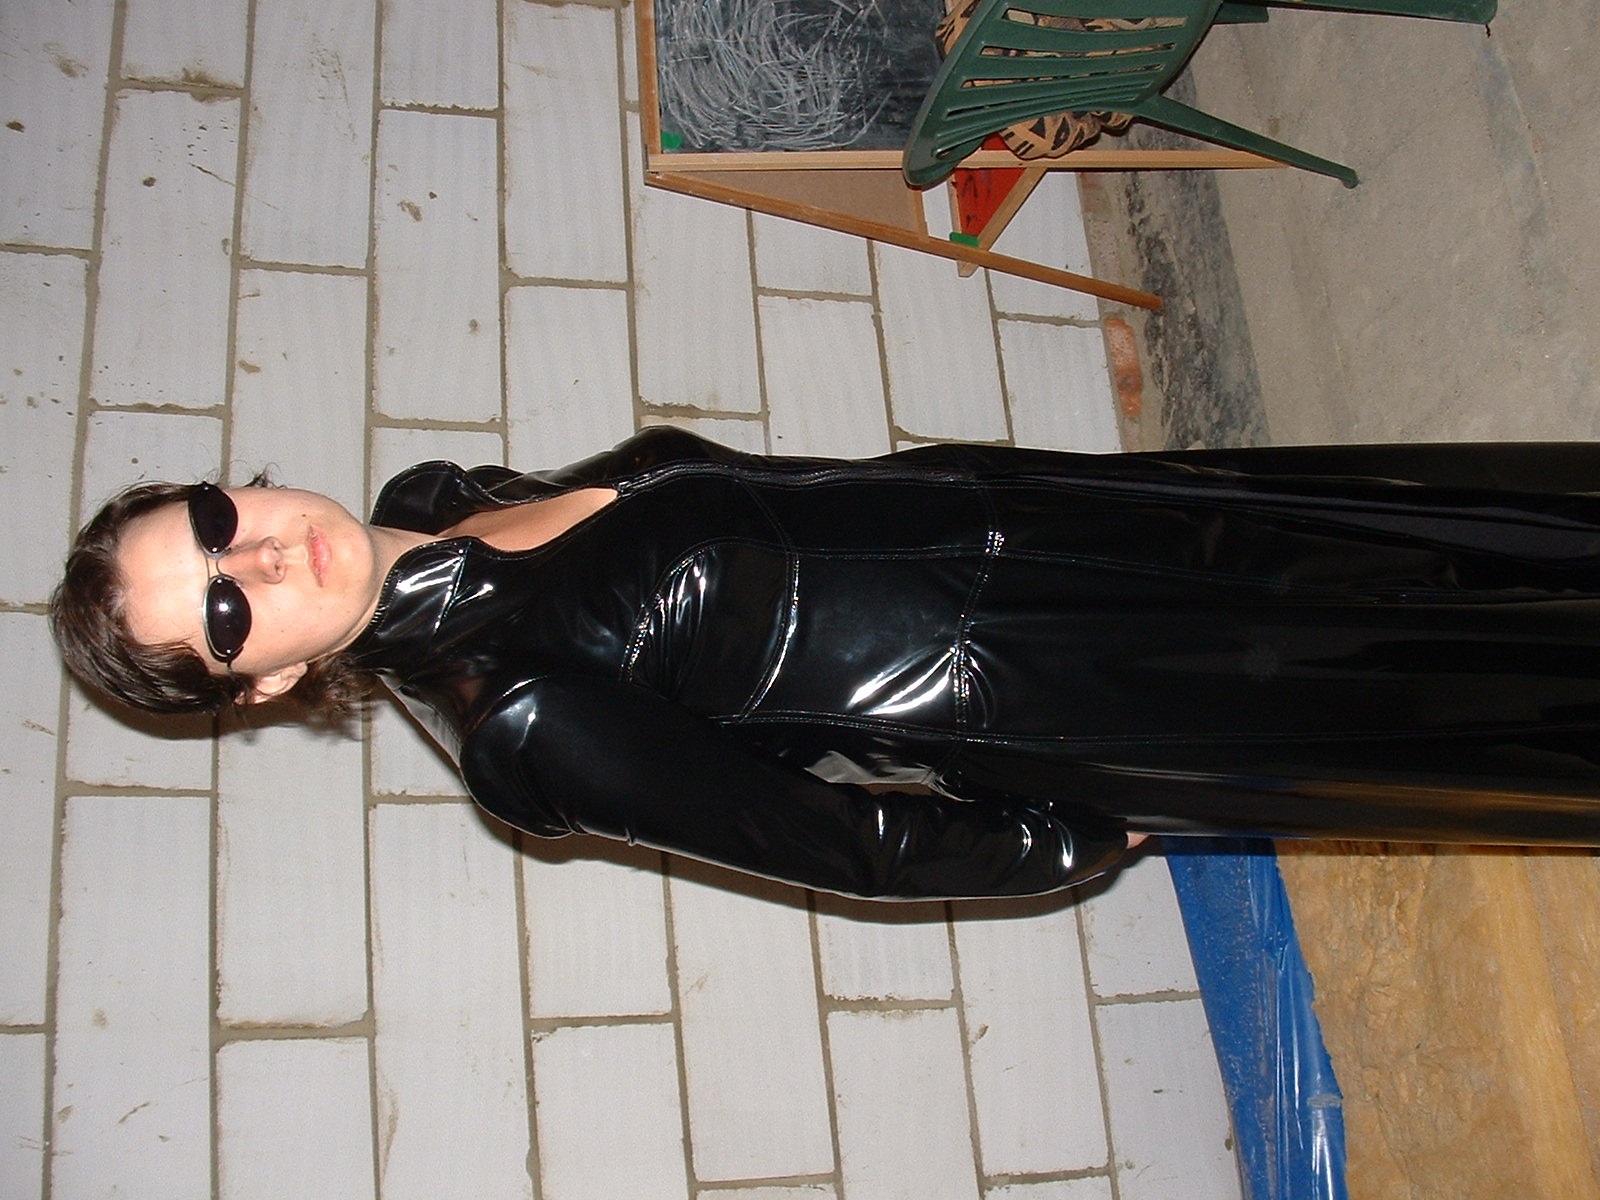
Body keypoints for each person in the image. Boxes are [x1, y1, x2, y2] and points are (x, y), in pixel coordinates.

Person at [51, 428, 1600, 899]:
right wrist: (1063, 839)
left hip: (1035, 517)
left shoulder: (431, 497)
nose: (261, 562)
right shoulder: (515, 729)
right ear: (259, 687)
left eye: (215, 526)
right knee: (1445, 680)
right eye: (226, 615)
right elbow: (823, 837)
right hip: (1048, 668)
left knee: (1426, 543)